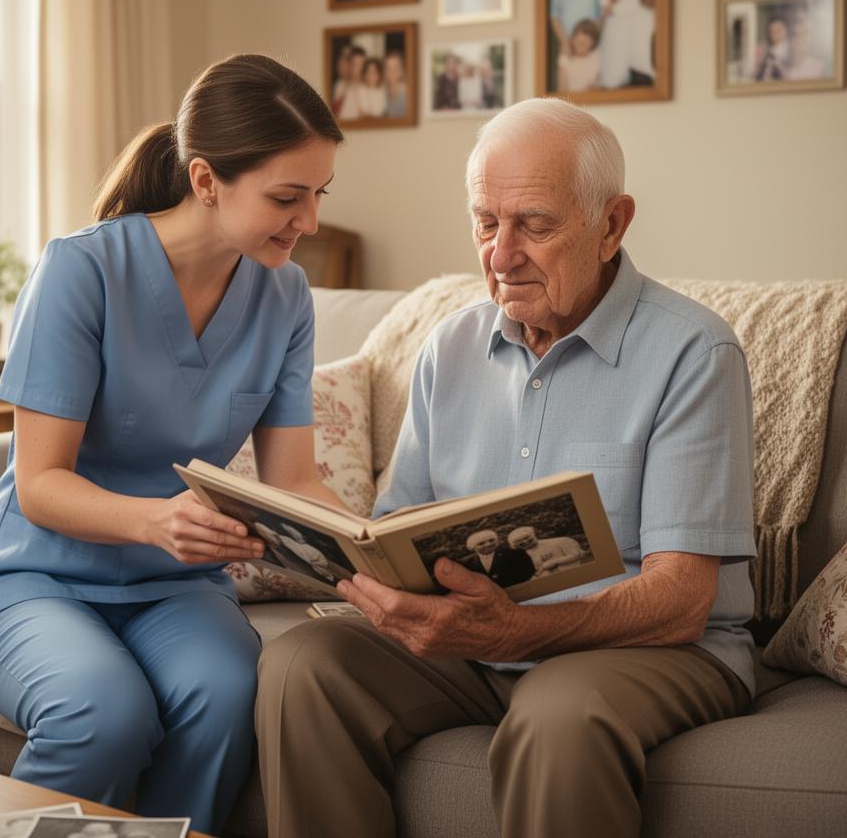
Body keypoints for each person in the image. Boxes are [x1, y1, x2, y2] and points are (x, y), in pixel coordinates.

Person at [255, 97, 755, 838]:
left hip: (651, 647)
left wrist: (516, 631)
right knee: (303, 669)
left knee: (557, 719)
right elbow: (400, 523)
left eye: (535, 224)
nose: (501, 253)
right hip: (473, 644)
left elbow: (681, 599)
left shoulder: (695, 354)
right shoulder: (448, 347)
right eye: (486, 223)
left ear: (612, 224)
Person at [0, 54, 349, 835]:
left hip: (176, 587)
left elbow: (294, 479)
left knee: (230, 693)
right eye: (286, 197)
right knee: (103, 710)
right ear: (206, 181)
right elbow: (40, 484)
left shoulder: (286, 294)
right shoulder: (81, 271)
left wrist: (370, 550)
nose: (310, 221)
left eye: (318, 194)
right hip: (35, 577)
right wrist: (158, 522)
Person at [597, 0, 654, 88]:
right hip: (618, 21)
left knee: (642, 53)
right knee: (616, 56)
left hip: (637, 18)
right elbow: (609, 0)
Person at [460, 530, 535, 587]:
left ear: (497, 540)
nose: (488, 544)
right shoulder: (465, 563)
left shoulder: (516, 554)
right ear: (472, 548)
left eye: (492, 540)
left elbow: (528, 573)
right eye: (481, 543)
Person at [507, 527, 584, 575]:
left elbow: (577, 554)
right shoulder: (521, 556)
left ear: (534, 534)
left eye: (529, 540)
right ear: (516, 546)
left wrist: (553, 562)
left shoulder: (562, 541)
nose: (526, 543)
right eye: (521, 544)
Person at [557, 18, 602, 92]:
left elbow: (600, 87)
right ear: (573, 39)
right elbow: (562, 91)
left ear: (593, 43)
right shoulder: (565, 59)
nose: (582, 43)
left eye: (586, 41)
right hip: (571, 102)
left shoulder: (596, 57)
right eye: (579, 41)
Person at [784, 15, 825, 80]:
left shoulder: (818, 67)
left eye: (805, 34)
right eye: (796, 34)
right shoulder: (783, 68)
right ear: (790, 39)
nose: (800, 39)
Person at [335, 45, 366, 121]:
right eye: (355, 64)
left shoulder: (367, 88)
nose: (358, 69)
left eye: (361, 65)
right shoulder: (340, 85)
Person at [754, 17, 790, 81]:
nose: (776, 34)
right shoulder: (765, 50)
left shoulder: (792, 49)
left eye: (778, 30)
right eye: (772, 31)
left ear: (785, 30)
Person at [383, 50, 408, 118]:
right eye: (388, 68)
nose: (391, 72)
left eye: (396, 68)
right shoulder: (382, 91)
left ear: (402, 70)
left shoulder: (407, 93)